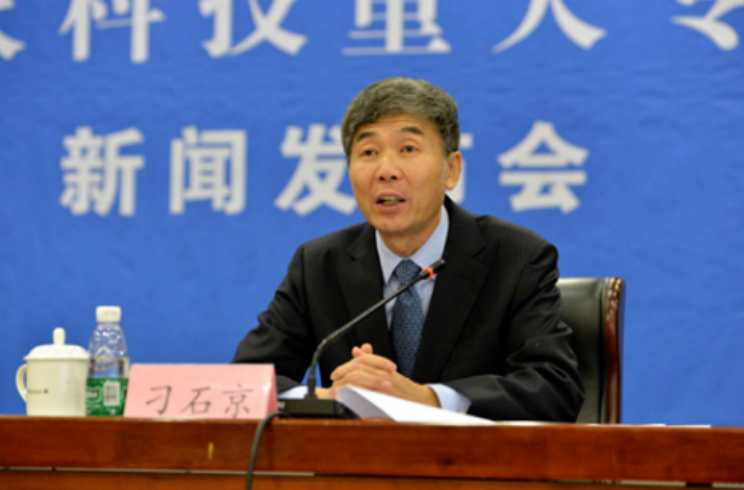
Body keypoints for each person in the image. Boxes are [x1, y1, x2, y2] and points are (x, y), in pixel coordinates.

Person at [232, 77, 584, 421]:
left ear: (451, 170)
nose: (386, 171)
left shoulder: (516, 257)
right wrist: (329, 398)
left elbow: (554, 389)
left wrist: (428, 399)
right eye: (368, 152)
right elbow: (242, 384)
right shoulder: (319, 265)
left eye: (408, 149)